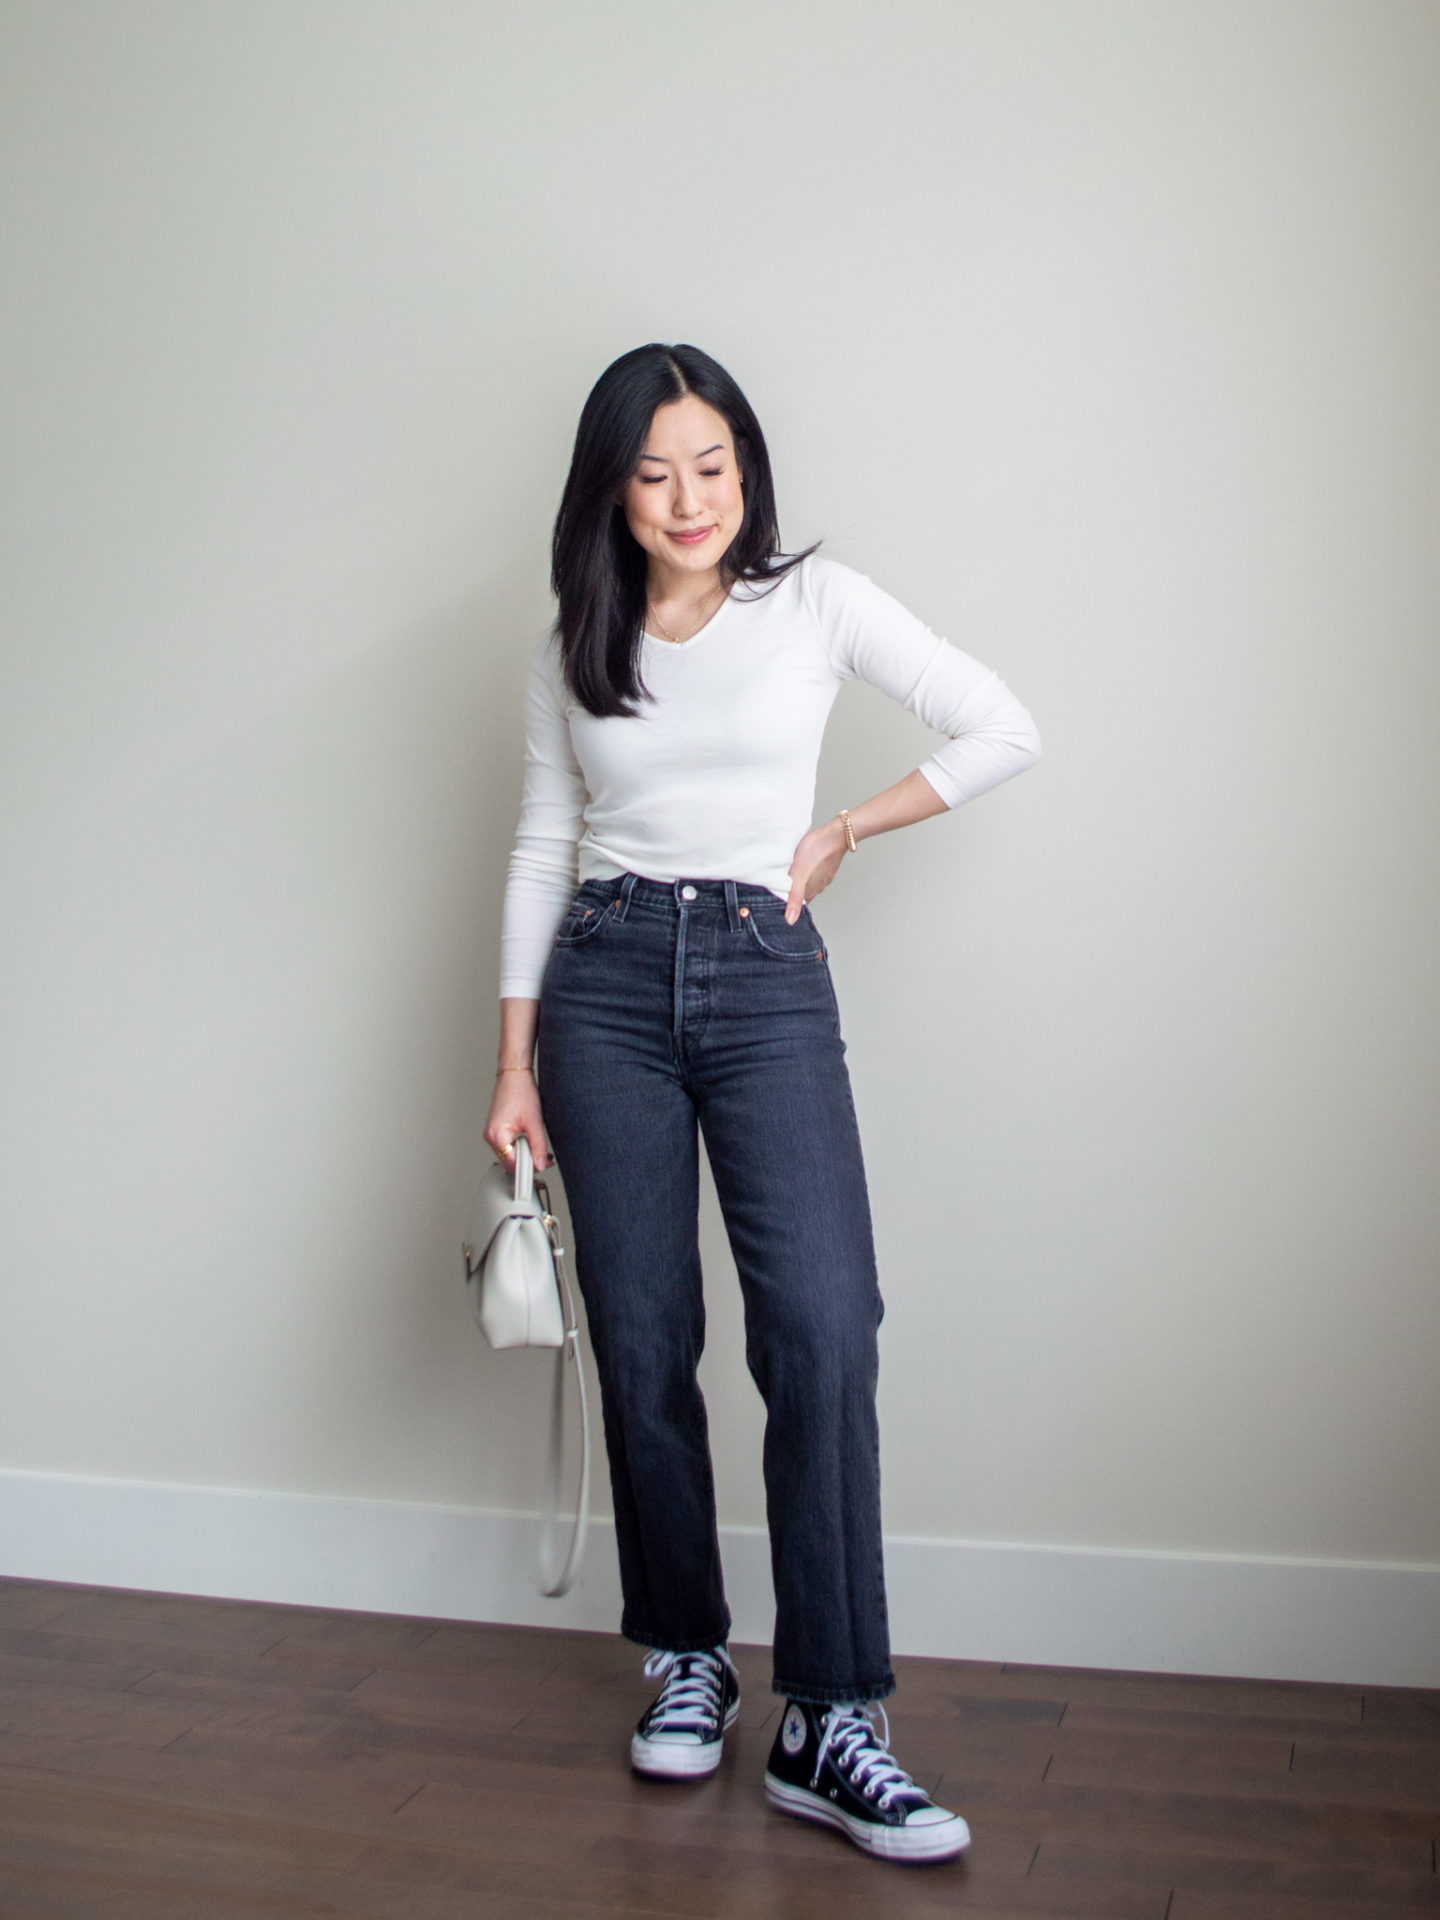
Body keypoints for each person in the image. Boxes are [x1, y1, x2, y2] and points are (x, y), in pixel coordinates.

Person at [486, 342, 1040, 1865]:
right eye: (655, 472)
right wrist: (515, 1062)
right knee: (648, 1330)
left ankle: (830, 1715)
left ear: (748, 467)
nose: (689, 499)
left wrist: (847, 827)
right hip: (599, 988)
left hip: (761, 968)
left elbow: (1004, 725)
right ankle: (682, 1654)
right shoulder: (573, 646)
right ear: (612, 486)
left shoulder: (817, 602)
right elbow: (546, 845)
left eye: (712, 465)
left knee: (822, 1324)